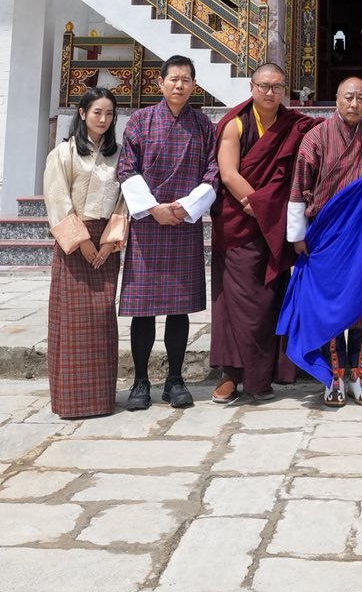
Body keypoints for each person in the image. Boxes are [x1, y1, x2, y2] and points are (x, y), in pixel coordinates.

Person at [278, 77, 362, 407]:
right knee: (331, 309)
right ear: (336, 99)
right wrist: (298, 236)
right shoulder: (316, 138)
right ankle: (334, 376)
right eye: (349, 97)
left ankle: (360, 375)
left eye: (361, 98)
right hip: (328, 239)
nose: (354, 104)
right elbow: (298, 187)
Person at [208, 62, 317, 406]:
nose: (270, 93)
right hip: (241, 220)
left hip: (275, 224)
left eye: (277, 87)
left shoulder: (294, 125)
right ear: (252, 87)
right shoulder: (236, 123)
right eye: (264, 86)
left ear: (285, 90)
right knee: (236, 303)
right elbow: (228, 173)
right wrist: (258, 204)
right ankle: (231, 373)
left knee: (269, 298)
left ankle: (263, 374)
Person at [116, 54, 220, 410]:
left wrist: (185, 208)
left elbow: (212, 172)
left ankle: (175, 379)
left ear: (194, 85)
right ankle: (141, 381)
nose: (179, 85)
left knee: (179, 309)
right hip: (148, 225)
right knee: (143, 310)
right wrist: (153, 209)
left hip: (182, 223)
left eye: (186, 79)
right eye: (173, 78)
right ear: (159, 83)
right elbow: (126, 170)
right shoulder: (140, 121)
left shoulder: (204, 125)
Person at [41, 88, 129, 419]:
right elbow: (57, 200)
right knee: (72, 322)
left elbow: (124, 203)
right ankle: (71, 400)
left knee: (101, 320)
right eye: (97, 113)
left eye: (109, 114)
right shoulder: (62, 154)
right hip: (73, 243)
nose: (103, 120)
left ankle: (100, 398)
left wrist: (109, 242)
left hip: (106, 243)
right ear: (81, 113)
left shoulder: (118, 155)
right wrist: (82, 242)